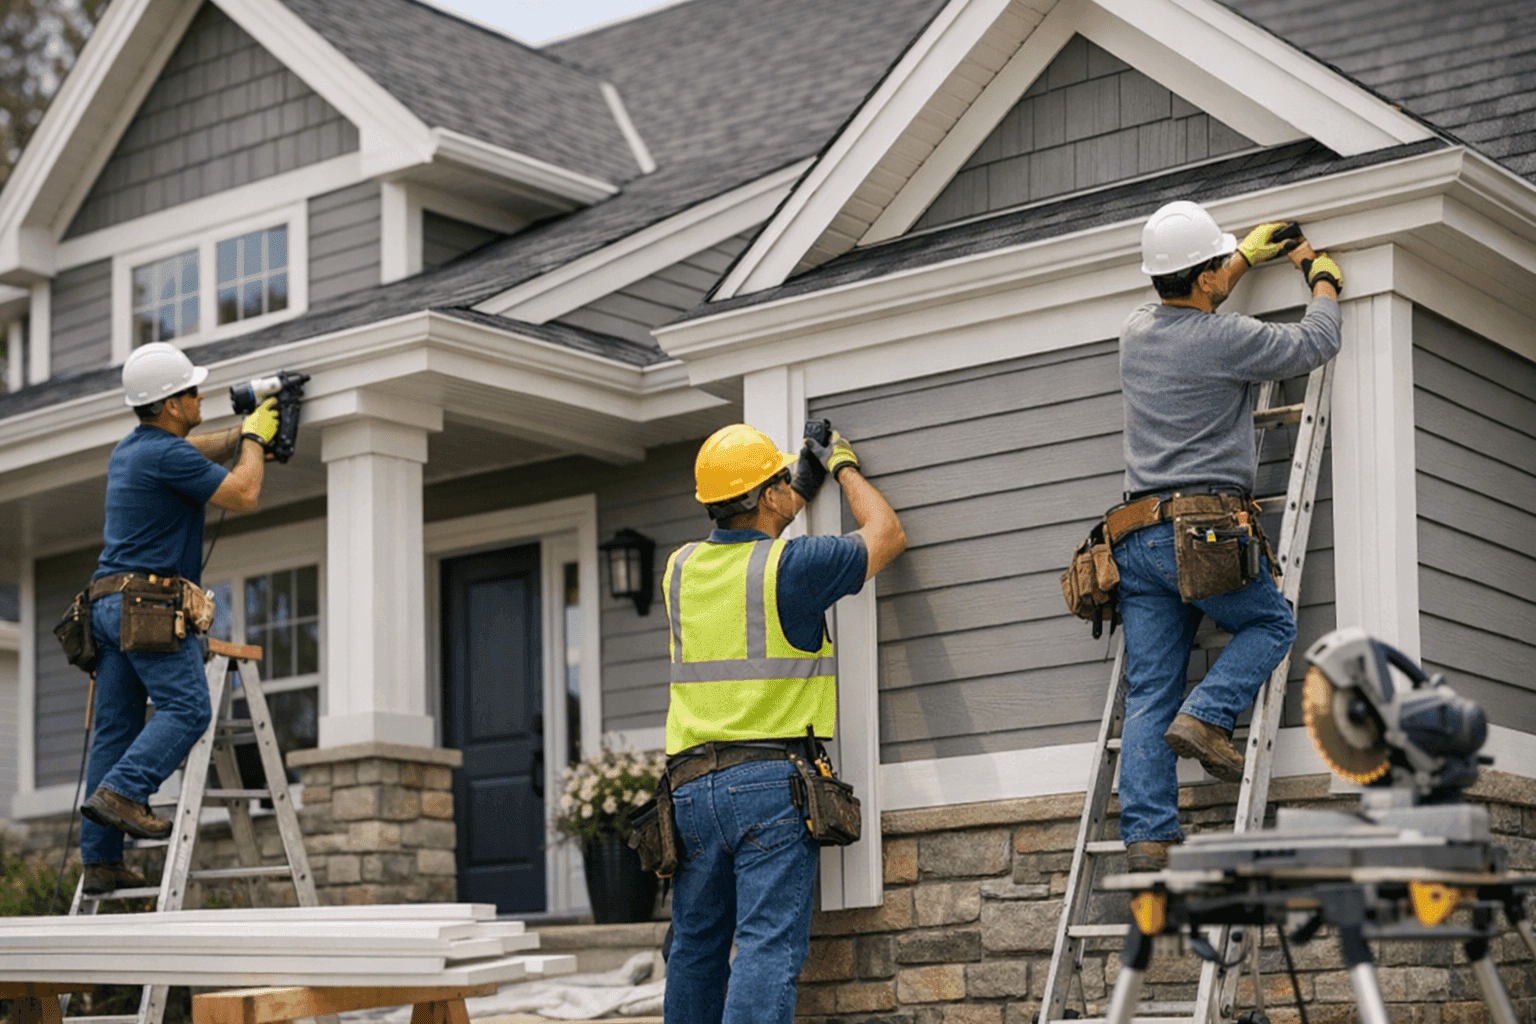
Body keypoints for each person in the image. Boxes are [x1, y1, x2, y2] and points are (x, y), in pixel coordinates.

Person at [1110, 201, 1343, 872]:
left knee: (1152, 688)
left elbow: (1195, 293)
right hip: (1204, 530)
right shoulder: (1226, 337)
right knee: (1271, 626)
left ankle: (1148, 840)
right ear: (1205, 276)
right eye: (1219, 266)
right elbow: (1313, 343)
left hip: (1137, 537)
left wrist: (1239, 258)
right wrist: (1319, 276)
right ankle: (1207, 715)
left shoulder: (1135, 330)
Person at [661, 422, 906, 1024]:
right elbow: (887, 534)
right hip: (769, 787)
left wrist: (801, 471)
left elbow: (761, 521)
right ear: (767, 497)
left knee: (694, 949)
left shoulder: (681, 569)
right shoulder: (790, 565)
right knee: (766, 948)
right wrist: (843, 465)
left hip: (689, 789)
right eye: (779, 486)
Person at [78, 342, 280, 895]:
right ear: (169, 405)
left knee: (117, 728)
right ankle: (124, 793)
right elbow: (244, 493)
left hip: (107, 606)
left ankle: (99, 861)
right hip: (147, 607)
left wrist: (242, 433)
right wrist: (257, 441)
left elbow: (200, 449)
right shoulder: (168, 456)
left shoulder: (134, 450)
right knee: (189, 708)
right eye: (191, 392)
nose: (199, 397)